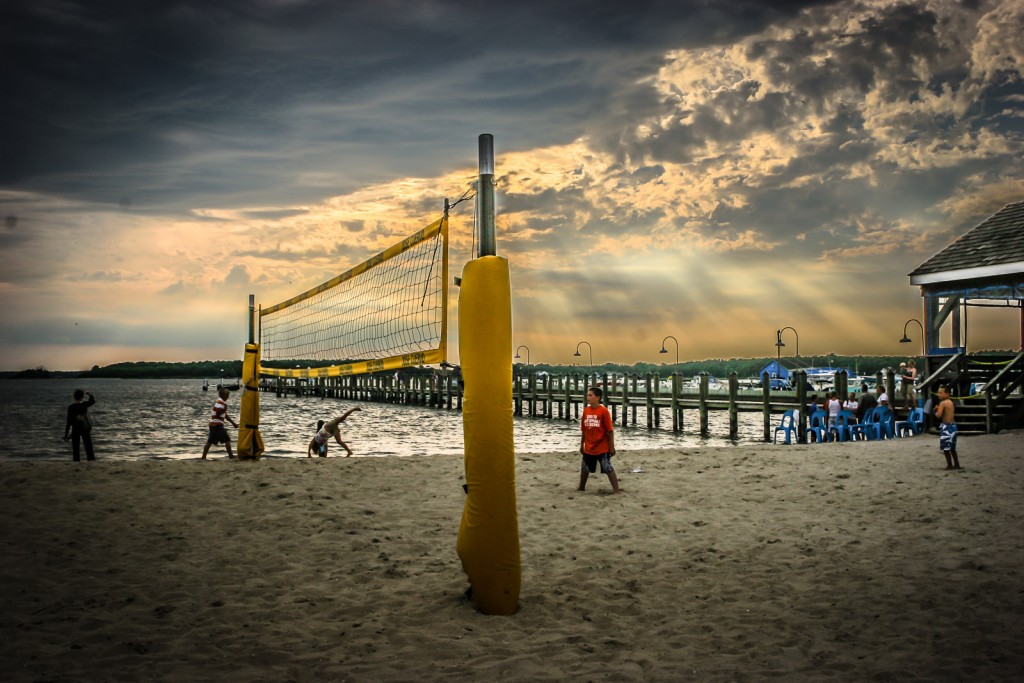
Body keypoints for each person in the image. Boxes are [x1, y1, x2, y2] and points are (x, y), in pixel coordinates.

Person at [578, 387, 621, 494]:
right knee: (585, 468)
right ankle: (581, 487)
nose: (588, 397)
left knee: (607, 467)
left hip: (602, 447)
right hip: (589, 446)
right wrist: (581, 445)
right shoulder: (586, 410)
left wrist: (612, 447)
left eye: (590, 395)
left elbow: (610, 431)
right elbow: (584, 430)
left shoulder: (603, 411)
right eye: (587, 395)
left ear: (598, 397)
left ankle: (616, 490)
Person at [202, 388, 238, 459]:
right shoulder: (220, 402)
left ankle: (203, 457)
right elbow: (218, 413)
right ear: (223, 395)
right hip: (217, 425)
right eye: (227, 395)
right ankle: (231, 456)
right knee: (227, 440)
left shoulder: (220, 403)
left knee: (210, 441)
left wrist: (233, 423)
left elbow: (225, 416)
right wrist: (224, 409)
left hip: (213, 425)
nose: (228, 397)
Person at [63, 389, 96, 461]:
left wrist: (66, 434)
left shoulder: (71, 407)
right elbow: (92, 401)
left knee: (75, 449)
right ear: (82, 397)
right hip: (85, 428)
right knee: (88, 447)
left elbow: (68, 422)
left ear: (74, 397)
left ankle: (76, 461)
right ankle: (91, 460)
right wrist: (90, 395)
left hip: (75, 429)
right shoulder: (84, 404)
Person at [934, 386, 961, 470]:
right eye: (938, 392)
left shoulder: (943, 403)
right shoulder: (950, 402)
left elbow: (938, 415)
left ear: (947, 393)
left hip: (947, 427)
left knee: (946, 448)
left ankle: (949, 465)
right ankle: (956, 464)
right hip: (953, 426)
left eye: (941, 392)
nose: (939, 394)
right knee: (952, 448)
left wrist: (935, 410)